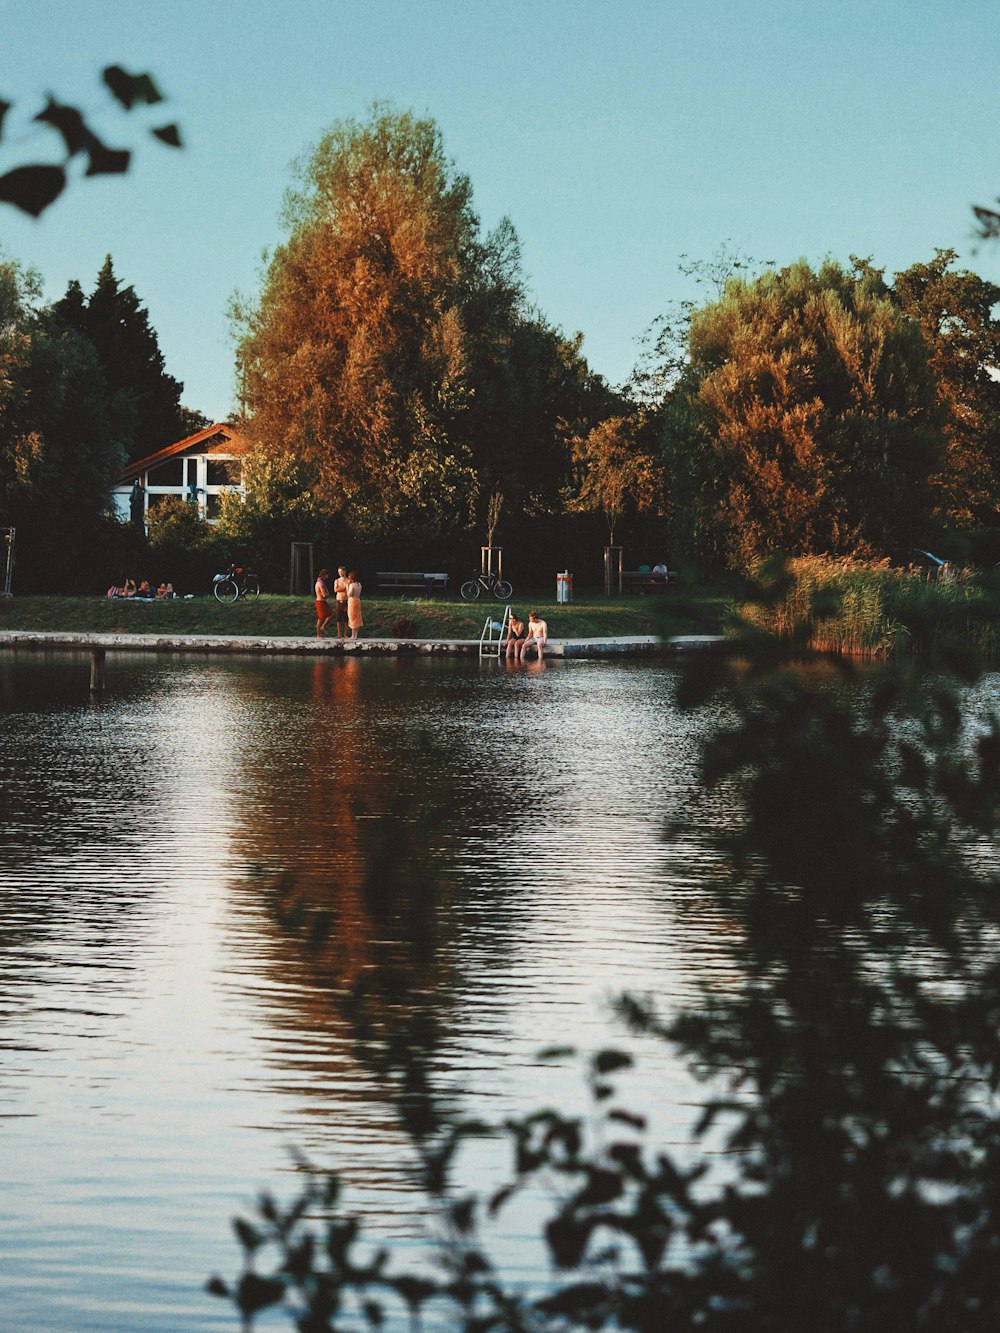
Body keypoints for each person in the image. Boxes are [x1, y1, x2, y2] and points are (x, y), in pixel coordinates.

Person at [315, 568, 333, 637]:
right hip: (320, 602)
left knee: (331, 614)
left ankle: (323, 626)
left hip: (323, 602)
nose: (328, 576)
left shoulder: (322, 582)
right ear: (325, 575)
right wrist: (328, 594)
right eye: (327, 575)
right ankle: (318, 634)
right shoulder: (320, 584)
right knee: (320, 618)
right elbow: (324, 594)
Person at [333, 566, 349, 638]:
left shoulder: (348, 580)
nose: (340, 573)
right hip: (339, 600)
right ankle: (339, 634)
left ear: (345, 571)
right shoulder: (337, 580)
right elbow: (335, 590)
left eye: (341, 572)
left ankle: (345, 634)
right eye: (339, 572)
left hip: (346, 601)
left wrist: (343, 587)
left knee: (346, 618)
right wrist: (343, 587)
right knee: (338, 617)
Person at [346, 571, 363, 639]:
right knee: (357, 617)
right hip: (358, 600)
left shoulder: (352, 585)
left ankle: (353, 635)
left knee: (352, 617)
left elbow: (349, 594)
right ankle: (356, 635)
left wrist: (347, 587)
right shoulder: (359, 584)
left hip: (352, 601)